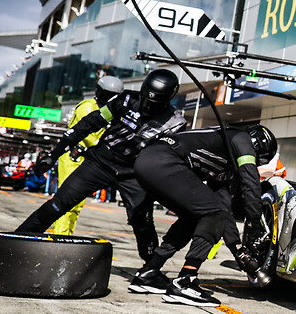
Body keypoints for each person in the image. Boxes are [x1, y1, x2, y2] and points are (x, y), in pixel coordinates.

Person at [18, 69, 184, 261]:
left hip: (134, 174)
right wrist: (54, 155)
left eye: (154, 105)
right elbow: (89, 123)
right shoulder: (126, 99)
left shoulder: (176, 123)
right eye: (146, 100)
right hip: (99, 163)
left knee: (143, 223)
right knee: (58, 204)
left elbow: (168, 159)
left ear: (168, 99)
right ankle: (14, 241)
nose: (147, 107)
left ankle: (151, 271)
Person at [127, 124, 277, 307]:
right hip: (163, 161)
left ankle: (148, 273)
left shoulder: (222, 155)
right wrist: (254, 228)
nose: (254, 164)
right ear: (257, 146)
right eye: (257, 161)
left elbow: (224, 210)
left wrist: (237, 249)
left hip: (148, 162)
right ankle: (185, 281)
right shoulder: (241, 138)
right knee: (213, 214)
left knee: (196, 216)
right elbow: (250, 183)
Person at [48, 75, 124, 236]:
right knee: (66, 202)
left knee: (77, 204)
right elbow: (90, 137)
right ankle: (59, 237)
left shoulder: (108, 112)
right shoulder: (89, 107)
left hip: (86, 160)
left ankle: (66, 236)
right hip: (73, 158)